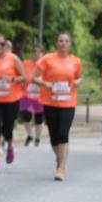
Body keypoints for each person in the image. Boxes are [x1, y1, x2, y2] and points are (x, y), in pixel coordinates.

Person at [31, 32, 83, 181]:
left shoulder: (76, 61)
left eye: (66, 41)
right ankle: (60, 159)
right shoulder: (47, 59)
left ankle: (61, 167)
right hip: (50, 102)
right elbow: (34, 78)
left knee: (63, 133)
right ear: (56, 43)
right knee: (54, 137)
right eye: (61, 41)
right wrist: (45, 83)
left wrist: (78, 82)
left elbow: (78, 77)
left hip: (68, 102)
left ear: (70, 44)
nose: (63, 44)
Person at [0, 32, 26, 170]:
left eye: (2, 44)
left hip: (11, 99)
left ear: (6, 44)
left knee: (7, 128)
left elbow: (24, 77)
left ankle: (9, 145)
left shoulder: (13, 58)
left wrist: (12, 79)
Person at [20, 45, 45, 147]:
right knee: (27, 116)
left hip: (40, 95)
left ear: (42, 54)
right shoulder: (25, 63)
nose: (36, 54)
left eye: (39, 52)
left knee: (39, 118)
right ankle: (30, 134)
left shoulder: (45, 65)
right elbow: (20, 75)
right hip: (27, 95)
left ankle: (37, 138)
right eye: (35, 51)